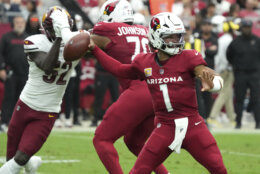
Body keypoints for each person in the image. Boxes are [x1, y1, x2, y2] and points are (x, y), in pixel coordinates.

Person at [89, 12, 227, 173]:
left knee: (219, 170)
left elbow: (204, 71)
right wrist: (95, 50)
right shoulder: (144, 62)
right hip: (165, 127)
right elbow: (119, 69)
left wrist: (212, 80)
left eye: (178, 36)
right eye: (171, 37)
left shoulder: (189, 57)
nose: (176, 41)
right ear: (156, 36)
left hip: (193, 126)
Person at [51, 0, 169, 173]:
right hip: (159, 92)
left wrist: (64, 30)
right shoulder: (144, 30)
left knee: (101, 139)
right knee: (134, 142)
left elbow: (81, 42)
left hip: (138, 91)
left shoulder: (109, 30)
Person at [0, 6, 82, 174]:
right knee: (11, 157)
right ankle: (33, 165)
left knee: (21, 157)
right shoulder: (34, 41)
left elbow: (102, 43)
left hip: (48, 111)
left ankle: (29, 162)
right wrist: (61, 37)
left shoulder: (77, 42)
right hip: (25, 104)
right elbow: (47, 66)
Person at [227, 19, 260, 129]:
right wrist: (236, 66)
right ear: (242, 28)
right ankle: (238, 122)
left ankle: (258, 123)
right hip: (240, 74)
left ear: (251, 28)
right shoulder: (236, 42)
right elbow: (229, 55)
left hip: (255, 73)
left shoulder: (257, 40)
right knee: (239, 99)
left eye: (248, 27)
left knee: (256, 99)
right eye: (245, 27)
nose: (246, 29)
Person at [0, 15, 29, 132]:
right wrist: (1, 68)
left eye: (22, 22)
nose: (20, 24)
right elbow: (0, 54)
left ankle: (19, 124)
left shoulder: (28, 38)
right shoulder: (6, 37)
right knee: (9, 98)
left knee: (22, 100)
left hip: (25, 73)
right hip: (11, 73)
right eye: (17, 22)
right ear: (13, 24)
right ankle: (4, 122)